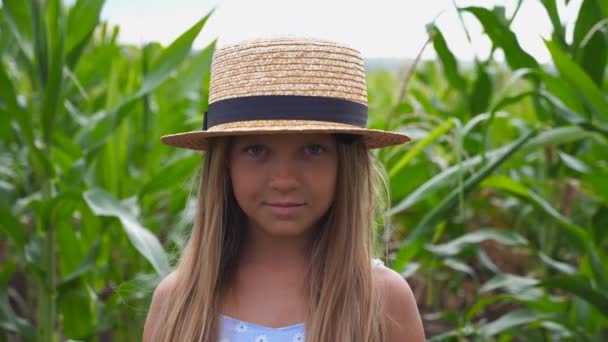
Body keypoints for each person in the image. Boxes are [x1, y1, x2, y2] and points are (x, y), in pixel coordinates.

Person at [143, 36, 425, 342]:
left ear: (346, 165)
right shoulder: (177, 303)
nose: (284, 180)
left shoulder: (382, 300)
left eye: (313, 150)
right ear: (224, 165)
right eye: (256, 151)